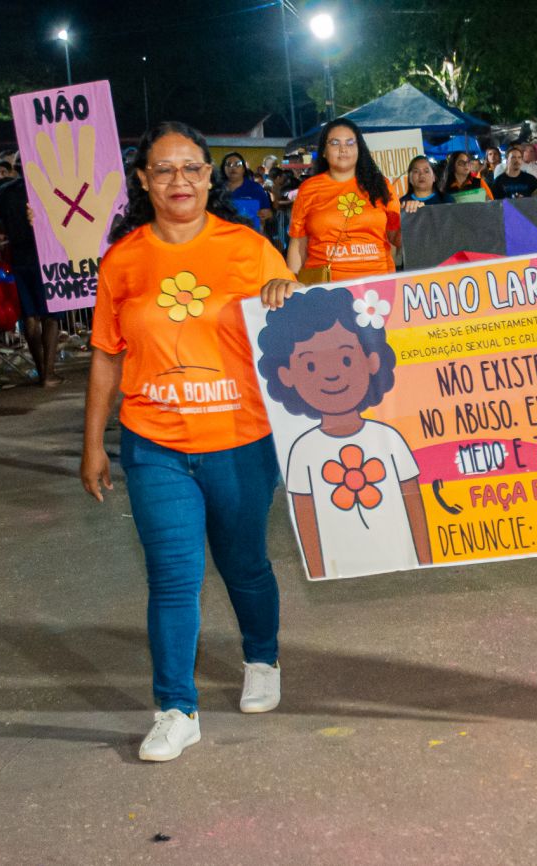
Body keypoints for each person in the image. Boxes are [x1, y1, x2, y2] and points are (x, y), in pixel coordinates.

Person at [81, 121, 296, 763]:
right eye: (164, 169)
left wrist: (289, 294)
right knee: (173, 576)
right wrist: (93, 443)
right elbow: (105, 356)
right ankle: (176, 709)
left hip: (241, 440)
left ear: (209, 176)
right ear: (143, 180)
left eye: (192, 168)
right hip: (154, 444)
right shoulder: (123, 259)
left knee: (244, 564)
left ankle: (262, 658)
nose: (180, 180)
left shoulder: (249, 247)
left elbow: (301, 326)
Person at [259, 286, 433, 577]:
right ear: (285, 375)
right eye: (311, 365)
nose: (332, 374)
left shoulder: (390, 437)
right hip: (337, 562)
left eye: (346, 359)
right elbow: (305, 514)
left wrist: (426, 560)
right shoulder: (302, 450)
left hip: (396, 553)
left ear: (372, 360)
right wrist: (317, 570)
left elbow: (412, 498)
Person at [287, 119, 401, 285]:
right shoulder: (308, 189)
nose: (343, 149)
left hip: (378, 287)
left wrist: (416, 216)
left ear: (359, 149)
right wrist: (292, 284)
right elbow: (298, 243)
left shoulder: (381, 185)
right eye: (335, 143)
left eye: (350, 143)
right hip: (325, 289)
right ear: (324, 151)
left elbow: (396, 237)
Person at [0, 154, 62, 385]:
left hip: (18, 256)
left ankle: (42, 371)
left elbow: (1, 226)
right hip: (46, 255)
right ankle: (49, 373)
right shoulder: (49, 188)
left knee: (30, 315)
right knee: (51, 314)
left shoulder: (4, 192)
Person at [221, 152, 273, 233]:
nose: (233, 167)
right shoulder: (217, 189)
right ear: (223, 169)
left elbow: (268, 213)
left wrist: (266, 214)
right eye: (228, 164)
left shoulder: (255, 188)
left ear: (243, 169)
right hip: (223, 234)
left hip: (249, 234)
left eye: (237, 164)